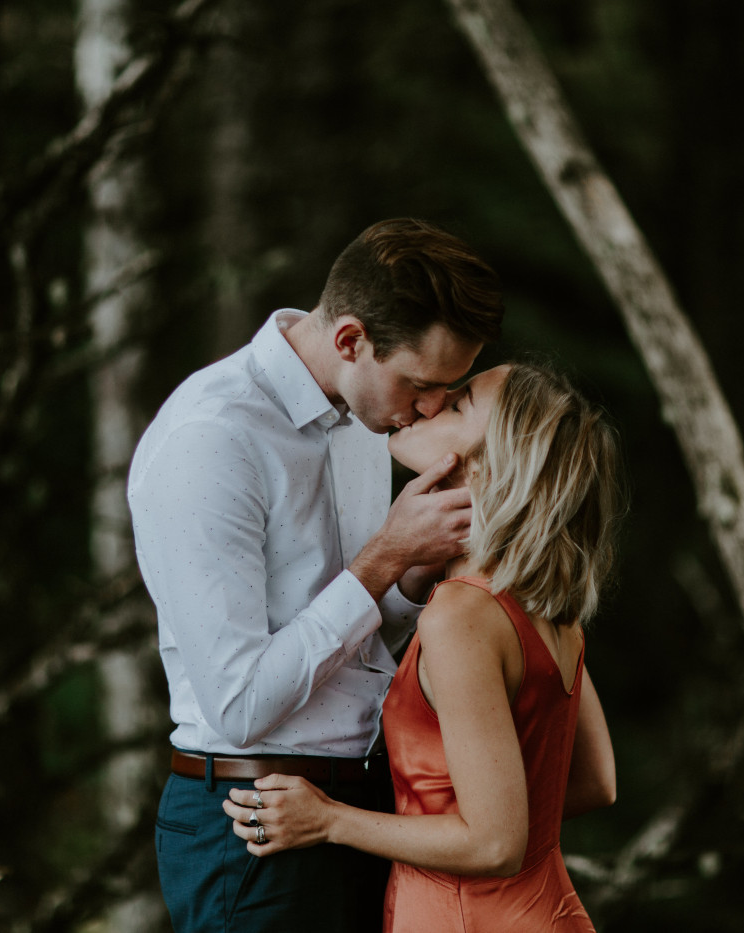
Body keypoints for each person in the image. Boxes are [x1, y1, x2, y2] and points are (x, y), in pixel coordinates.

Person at [126, 218, 504, 933]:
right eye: (421, 384)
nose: (427, 409)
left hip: (357, 813)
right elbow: (241, 701)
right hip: (255, 828)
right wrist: (386, 555)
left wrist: (413, 574)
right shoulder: (213, 438)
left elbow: (349, 641)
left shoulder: (362, 417)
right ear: (351, 341)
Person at [223, 362, 622, 932]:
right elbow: (591, 782)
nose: (432, 403)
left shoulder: (461, 615)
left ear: (487, 471)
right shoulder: (547, 605)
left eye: (457, 405)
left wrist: (330, 819)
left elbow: (494, 845)